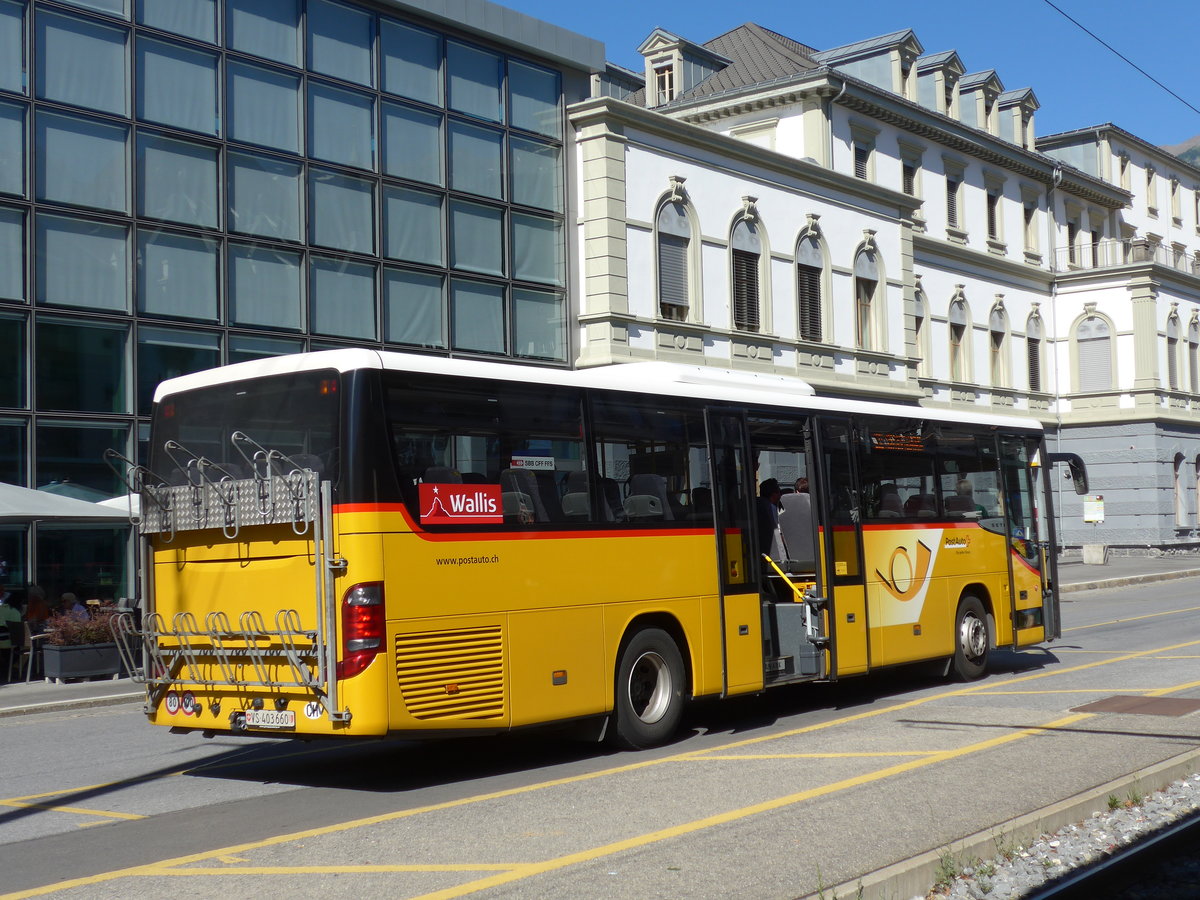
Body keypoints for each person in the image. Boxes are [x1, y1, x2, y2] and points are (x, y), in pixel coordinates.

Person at [756, 478, 782, 553]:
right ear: (774, 495)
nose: (781, 495)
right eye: (779, 492)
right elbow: (777, 532)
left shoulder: (759, 506)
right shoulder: (771, 508)